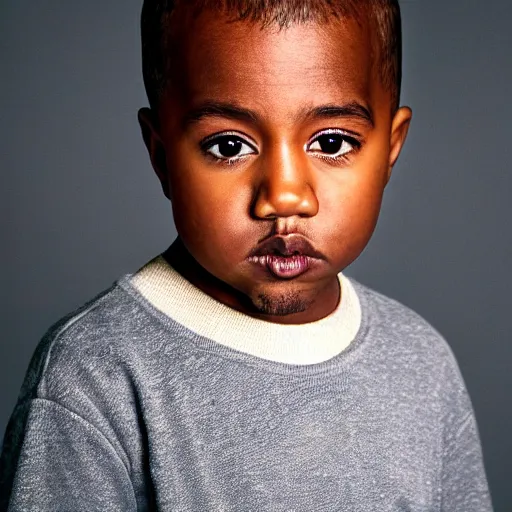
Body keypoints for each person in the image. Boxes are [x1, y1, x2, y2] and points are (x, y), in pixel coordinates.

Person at [0, 0, 493, 510]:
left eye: (330, 141)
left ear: (390, 150)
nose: (284, 195)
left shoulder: (421, 364)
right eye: (230, 146)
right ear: (162, 156)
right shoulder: (96, 376)